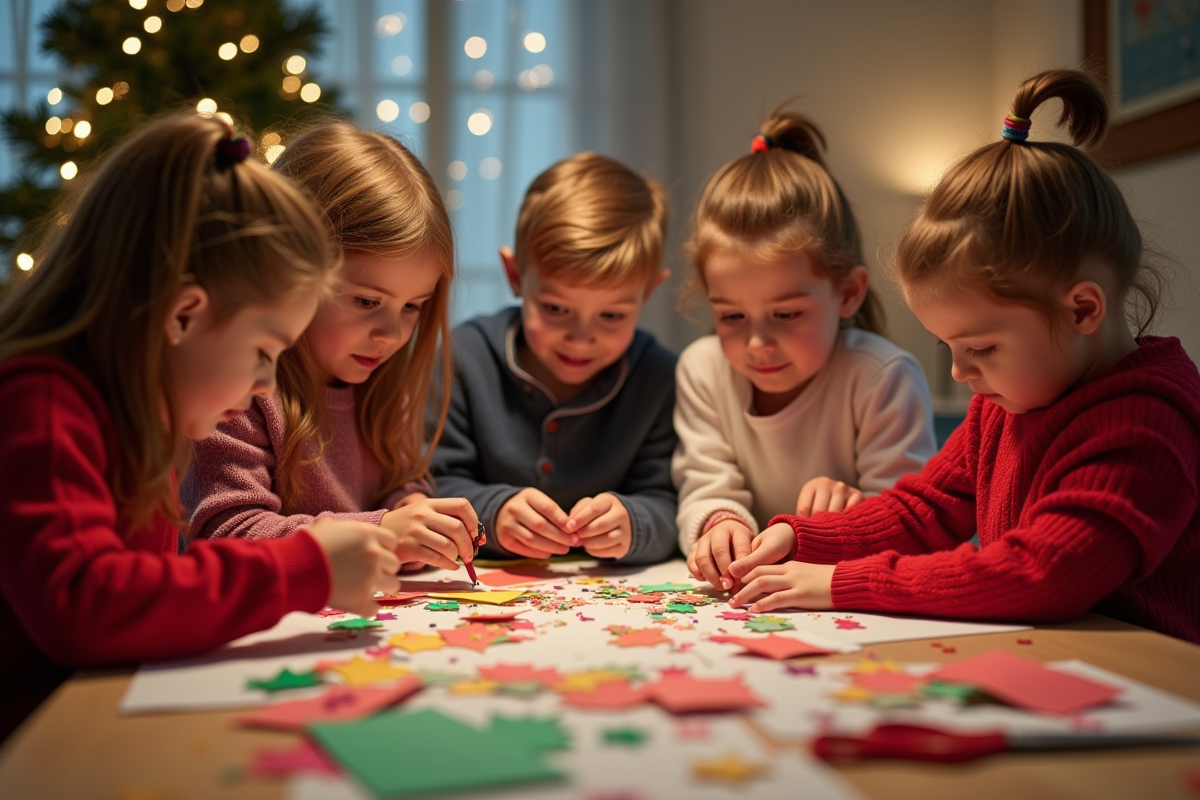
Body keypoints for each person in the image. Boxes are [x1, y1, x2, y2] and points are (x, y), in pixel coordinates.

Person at [727, 69, 1200, 645]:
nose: (959, 371)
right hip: (1058, 657)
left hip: (1154, 680)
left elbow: (1042, 575)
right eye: (948, 346)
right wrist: (802, 540)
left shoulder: (1146, 424)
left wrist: (839, 581)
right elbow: (925, 508)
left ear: (1081, 311)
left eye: (979, 347)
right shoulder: (1006, 401)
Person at [0, 113, 402, 741]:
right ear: (184, 315)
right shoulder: (43, 404)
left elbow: (144, 605)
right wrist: (305, 567)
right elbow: (86, 605)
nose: (267, 384)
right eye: (264, 351)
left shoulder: (144, 415)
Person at [182, 122, 479, 575]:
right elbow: (228, 534)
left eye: (413, 307)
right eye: (366, 301)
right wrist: (384, 531)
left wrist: (416, 507)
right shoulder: (239, 389)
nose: (392, 335)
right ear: (293, 272)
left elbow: (397, 485)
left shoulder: (381, 379)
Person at [677, 110, 936, 591]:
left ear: (848, 293)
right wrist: (719, 525)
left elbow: (917, 525)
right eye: (731, 316)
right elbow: (704, 483)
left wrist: (854, 511)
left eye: (786, 314)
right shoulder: (702, 368)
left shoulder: (883, 376)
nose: (757, 343)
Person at [430, 152, 678, 565]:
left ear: (648, 293)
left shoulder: (657, 376)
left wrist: (636, 523)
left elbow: (669, 503)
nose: (581, 339)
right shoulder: (463, 358)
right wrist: (493, 514)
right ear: (514, 275)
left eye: (612, 315)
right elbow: (429, 485)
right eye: (556, 309)